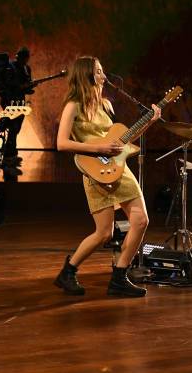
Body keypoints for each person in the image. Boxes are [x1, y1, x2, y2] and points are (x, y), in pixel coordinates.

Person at [55, 56, 160, 297]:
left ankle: (119, 277)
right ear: (87, 75)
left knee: (141, 221)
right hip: (95, 172)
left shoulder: (104, 105)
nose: (104, 75)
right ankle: (68, 272)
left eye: (102, 70)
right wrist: (99, 149)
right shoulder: (73, 105)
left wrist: (149, 122)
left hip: (118, 169)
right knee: (104, 234)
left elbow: (122, 140)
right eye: (99, 71)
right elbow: (61, 143)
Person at [0, 46, 32, 175]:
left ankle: (12, 153)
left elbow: (27, 83)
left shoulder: (26, 68)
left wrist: (28, 87)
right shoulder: (10, 67)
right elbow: (7, 84)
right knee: (12, 128)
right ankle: (8, 157)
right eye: (20, 56)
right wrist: (21, 86)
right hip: (10, 101)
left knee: (16, 128)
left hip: (20, 101)